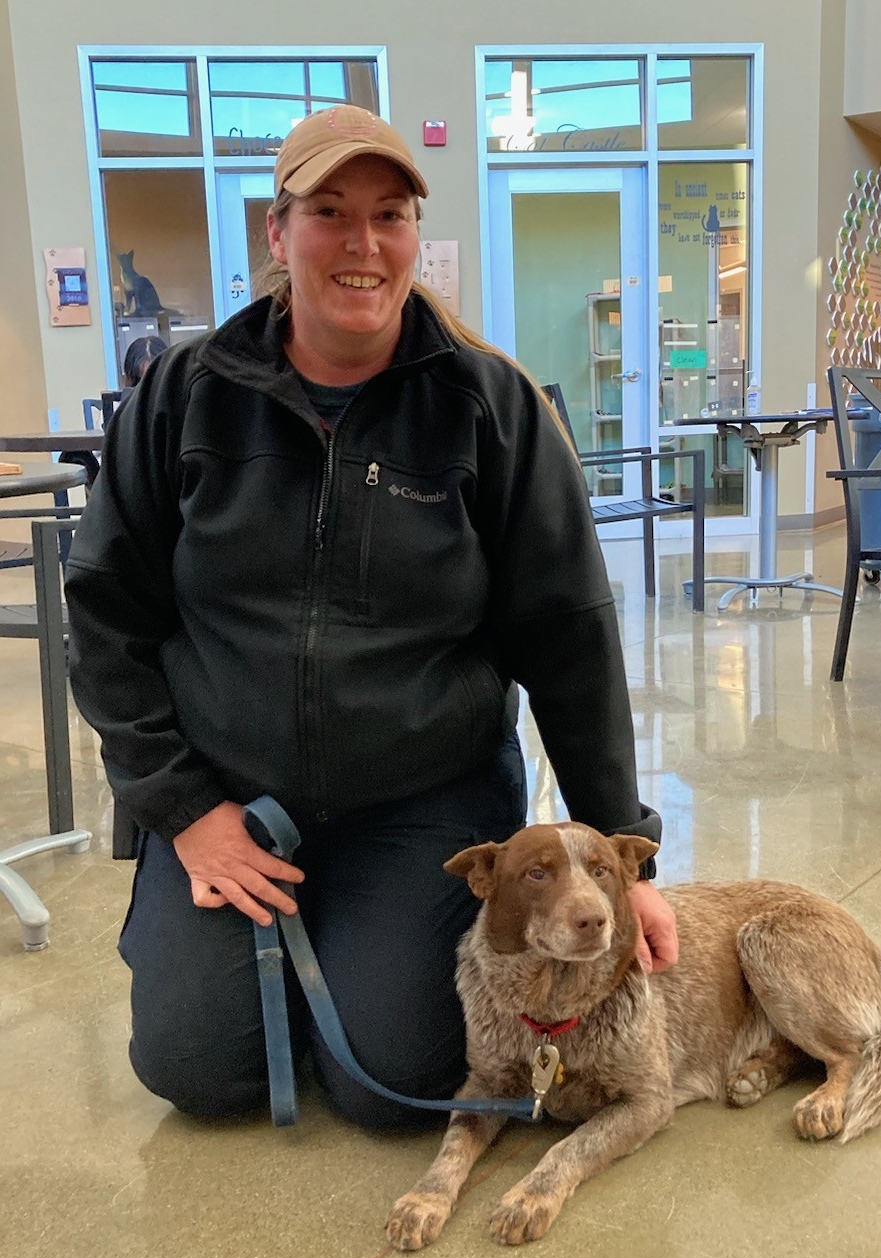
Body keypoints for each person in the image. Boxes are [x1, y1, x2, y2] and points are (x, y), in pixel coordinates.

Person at [65, 104, 679, 1130]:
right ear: (278, 231)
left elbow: (570, 640)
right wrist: (185, 811)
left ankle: (344, 963)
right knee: (198, 1071)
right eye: (329, 212)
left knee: (390, 1085)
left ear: (413, 236)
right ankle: (242, 959)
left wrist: (633, 862)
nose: (362, 243)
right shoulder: (184, 397)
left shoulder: (491, 407)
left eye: (388, 214)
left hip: (419, 802)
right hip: (231, 800)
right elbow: (107, 615)